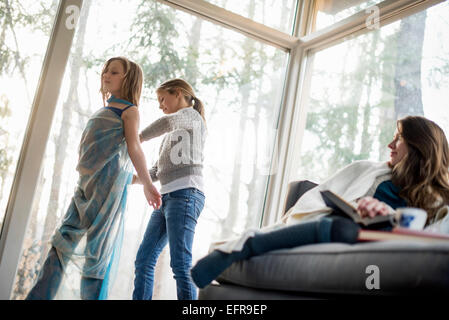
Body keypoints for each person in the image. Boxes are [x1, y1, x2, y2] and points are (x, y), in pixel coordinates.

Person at [190, 115, 449, 289]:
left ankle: (248, 243)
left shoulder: (440, 199)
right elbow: (321, 200)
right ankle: (246, 244)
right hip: (346, 228)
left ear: (419, 146)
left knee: (342, 228)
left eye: (399, 138)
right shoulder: (369, 170)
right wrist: (362, 205)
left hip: (385, 240)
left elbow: (433, 235)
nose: (390, 144)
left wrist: (389, 216)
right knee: (340, 226)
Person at [26, 57, 162, 300]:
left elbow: (134, 148)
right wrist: (139, 179)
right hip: (84, 190)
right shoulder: (103, 110)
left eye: (113, 72)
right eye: (105, 72)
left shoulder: (129, 112)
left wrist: (147, 184)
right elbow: (104, 159)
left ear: (127, 79)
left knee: (95, 257)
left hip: (105, 196)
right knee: (59, 248)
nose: (106, 76)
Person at [132, 79, 207, 300]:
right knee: (144, 260)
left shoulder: (191, 117)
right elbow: (157, 171)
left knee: (180, 264)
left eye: (162, 99)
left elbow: (167, 121)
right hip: (167, 198)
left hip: (186, 195)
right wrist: (131, 179)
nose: (160, 105)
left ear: (179, 94)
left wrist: (137, 138)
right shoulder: (172, 134)